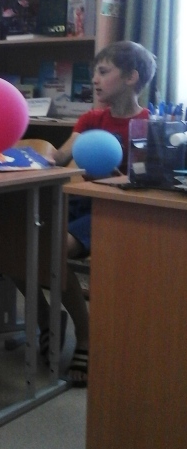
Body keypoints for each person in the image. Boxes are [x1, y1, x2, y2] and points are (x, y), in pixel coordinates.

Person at [47, 40, 157, 386]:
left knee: (51, 248)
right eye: (94, 71)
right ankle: (46, 320)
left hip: (115, 211)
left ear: (131, 77)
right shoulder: (91, 119)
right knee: (22, 243)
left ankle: (85, 335)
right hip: (81, 200)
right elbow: (60, 157)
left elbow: (152, 181)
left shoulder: (150, 124)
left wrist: (118, 178)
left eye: (103, 71)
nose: (94, 79)